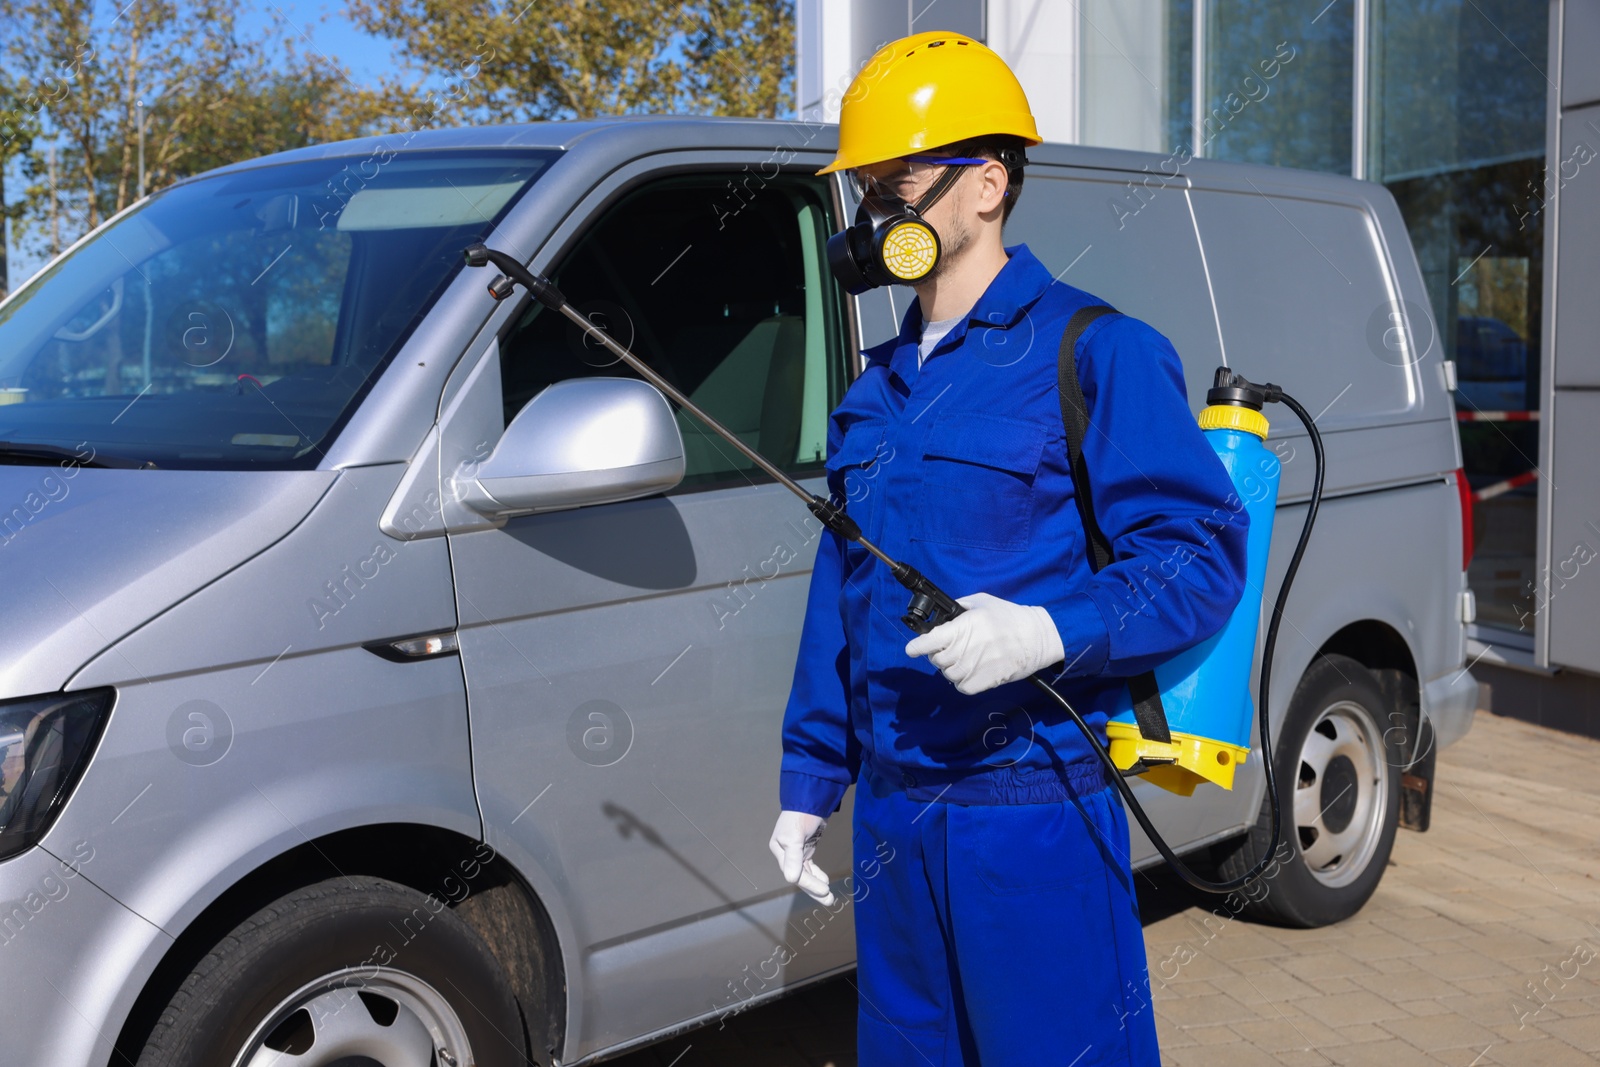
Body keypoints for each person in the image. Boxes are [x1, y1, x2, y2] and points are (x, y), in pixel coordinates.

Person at [766, 30, 1252, 1067]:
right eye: (865, 186)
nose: (874, 210)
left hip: (1028, 810)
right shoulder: (873, 392)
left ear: (985, 183)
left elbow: (1198, 553)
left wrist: (1047, 629)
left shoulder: (1096, 349)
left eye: (896, 177)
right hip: (895, 815)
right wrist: (809, 779)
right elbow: (840, 597)